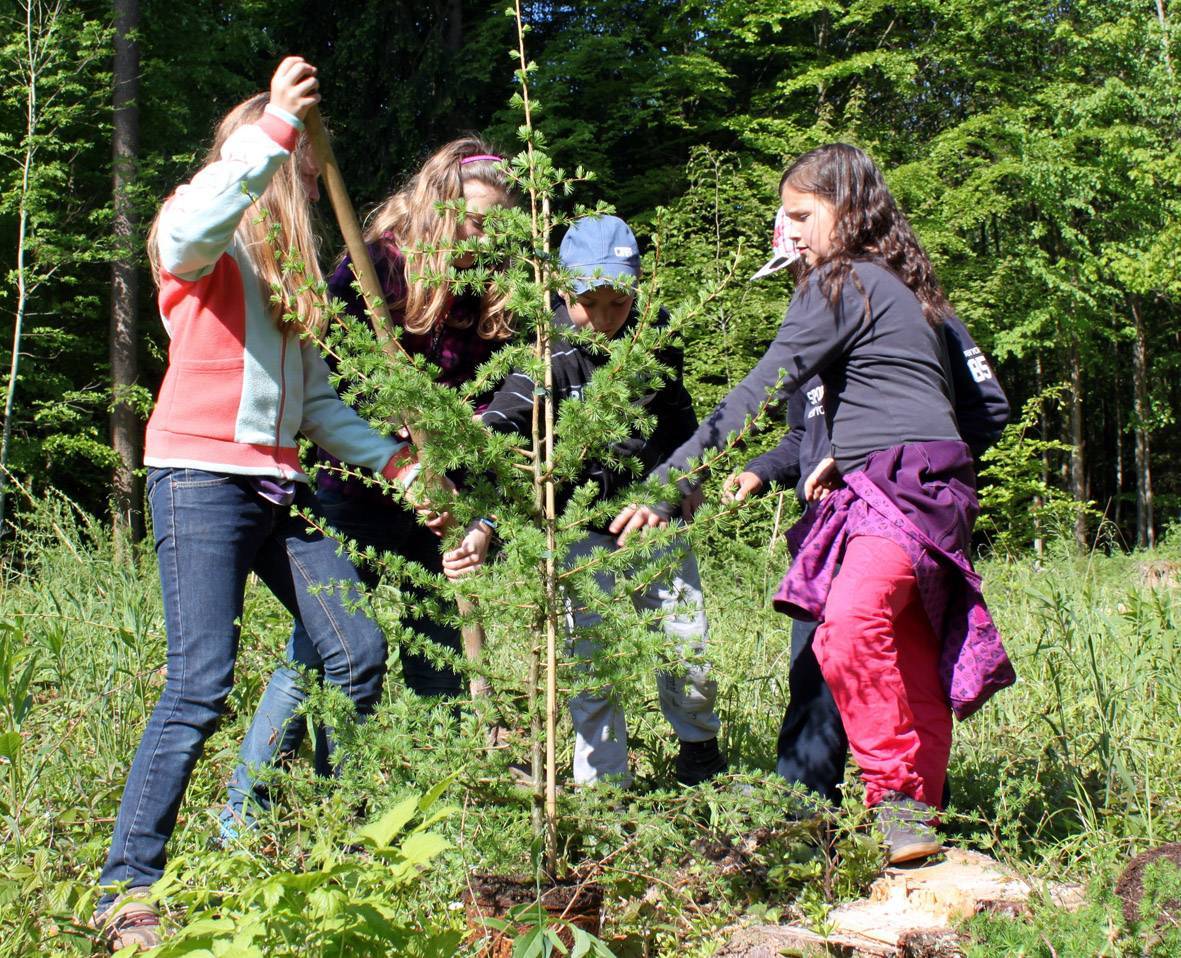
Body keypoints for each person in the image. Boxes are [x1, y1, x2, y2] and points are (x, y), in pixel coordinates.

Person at [92, 58, 427, 950]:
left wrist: (399, 465)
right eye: (306, 176)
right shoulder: (199, 233)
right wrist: (277, 125)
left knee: (354, 648)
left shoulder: (289, 279)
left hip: (278, 485)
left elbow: (312, 403)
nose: (315, 190)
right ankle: (125, 888)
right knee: (200, 681)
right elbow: (192, 227)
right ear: (271, 159)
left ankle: (313, 837)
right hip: (199, 480)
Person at [612, 144, 1016, 862]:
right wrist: (849, 450)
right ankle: (920, 820)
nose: (789, 231)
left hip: (897, 490)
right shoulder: (907, 286)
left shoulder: (839, 282)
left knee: (847, 628)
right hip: (933, 490)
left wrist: (667, 480)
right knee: (912, 651)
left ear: (848, 209)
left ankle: (891, 798)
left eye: (802, 214)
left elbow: (757, 390)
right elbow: (956, 409)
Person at [219, 138, 514, 835]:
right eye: (475, 221)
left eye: (499, 223)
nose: (486, 236)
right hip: (351, 493)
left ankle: (433, 821)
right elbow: (323, 375)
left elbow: (510, 410)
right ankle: (244, 819)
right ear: (439, 210)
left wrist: (475, 505)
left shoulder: (499, 295)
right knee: (319, 653)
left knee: (438, 658)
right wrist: (396, 439)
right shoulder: (373, 266)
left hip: (437, 506)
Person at [724, 209, 1010, 811]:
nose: (798, 272)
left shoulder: (922, 310)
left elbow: (988, 408)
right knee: (817, 671)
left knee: (905, 666)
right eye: (791, 266)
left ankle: (921, 811)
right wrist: (761, 471)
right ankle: (804, 813)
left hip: (903, 517)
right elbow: (803, 440)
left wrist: (897, 468)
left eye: (803, 258)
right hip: (829, 535)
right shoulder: (812, 338)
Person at [473, 215, 726, 788]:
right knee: (591, 668)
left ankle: (700, 761)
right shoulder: (548, 350)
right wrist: (479, 434)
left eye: (621, 302)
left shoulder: (653, 336)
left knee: (686, 648)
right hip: (579, 533)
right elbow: (509, 411)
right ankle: (603, 795)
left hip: (653, 520)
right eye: (594, 302)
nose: (609, 319)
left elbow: (679, 418)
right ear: (565, 290)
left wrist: (682, 485)